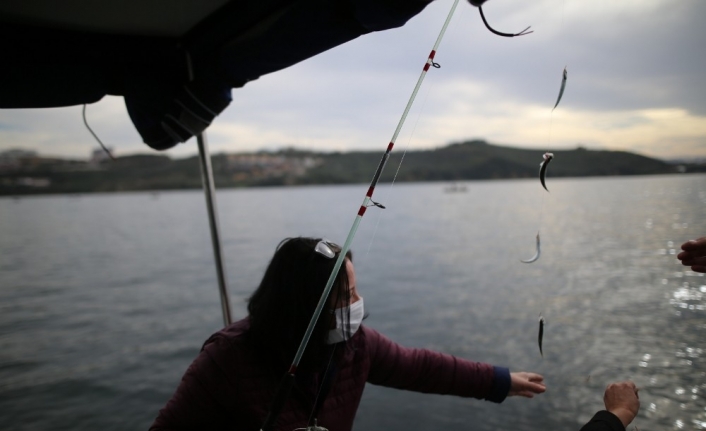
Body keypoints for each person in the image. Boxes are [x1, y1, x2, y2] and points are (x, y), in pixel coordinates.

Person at [149, 237, 546, 431]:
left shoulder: (354, 344)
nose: (359, 302)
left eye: (355, 290)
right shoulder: (227, 360)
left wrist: (498, 380)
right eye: (347, 295)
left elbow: (420, 367)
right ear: (305, 304)